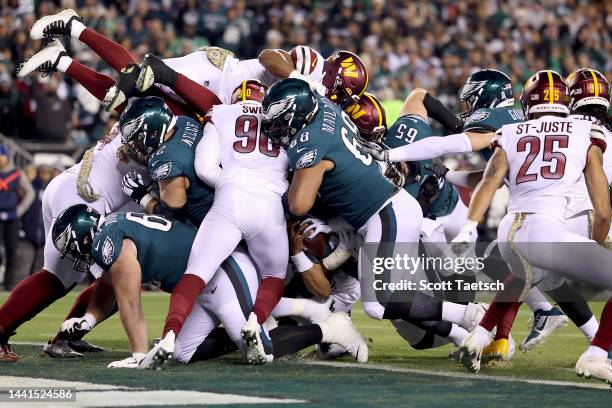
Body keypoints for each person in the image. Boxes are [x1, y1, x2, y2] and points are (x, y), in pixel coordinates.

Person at [262, 78, 486, 342]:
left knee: (380, 303)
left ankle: (471, 316)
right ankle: (464, 333)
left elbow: (299, 204)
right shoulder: (324, 107)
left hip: (387, 214)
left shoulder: (310, 142)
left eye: (282, 119)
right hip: (389, 212)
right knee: (385, 301)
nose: (276, 127)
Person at [52, 205, 367, 368]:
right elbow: (109, 285)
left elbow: (130, 301)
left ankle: (331, 330)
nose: (73, 255)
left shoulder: (108, 242)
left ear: (80, 238)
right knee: (182, 353)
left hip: (221, 273)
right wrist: (90, 318)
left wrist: (137, 354)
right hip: (202, 282)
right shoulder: (111, 229)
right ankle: (298, 312)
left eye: (71, 247)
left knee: (259, 352)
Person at [452, 70, 612, 384]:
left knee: (527, 275)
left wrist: (467, 225)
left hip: (515, 227)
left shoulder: (516, 131)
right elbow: (603, 207)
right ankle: (597, 351)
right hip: (571, 220)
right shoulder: (586, 133)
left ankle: (483, 334)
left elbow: (488, 180)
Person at [143, 79, 289, 365]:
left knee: (195, 274)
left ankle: (170, 334)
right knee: (275, 276)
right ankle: (255, 322)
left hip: (230, 196)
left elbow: (203, 167)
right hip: (270, 202)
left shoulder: (221, 113)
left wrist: (234, 182)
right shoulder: (281, 112)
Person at [0, 144, 34, 291]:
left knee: (12, 251)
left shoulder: (16, 174)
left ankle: (9, 284)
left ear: (7, 157)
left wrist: (19, 211)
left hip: (12, 218)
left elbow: (30, 193)